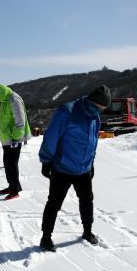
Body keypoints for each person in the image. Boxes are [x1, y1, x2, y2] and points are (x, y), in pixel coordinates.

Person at [38, 85, 111, 252]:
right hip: (62, 168)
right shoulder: (67, 111)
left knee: (87, 200)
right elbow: (51, 135)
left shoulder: (95, 117)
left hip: (83, 169)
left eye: (102, 108)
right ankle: (46, 237)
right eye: (99, 107)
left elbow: (92, 142)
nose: (100, 110)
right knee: (54, 203)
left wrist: (91, 164)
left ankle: (87, 231)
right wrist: (46, 160)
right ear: (92, 101)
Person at [0, 84, 31, 200]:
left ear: (0, 94)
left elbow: (20, 120)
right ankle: (12, 186)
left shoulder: (14, 99)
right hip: (7, 137)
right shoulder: (5, 99)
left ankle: (15, 190)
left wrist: (16, 137)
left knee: (12, 163)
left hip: (14, 137)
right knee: (7, 162)